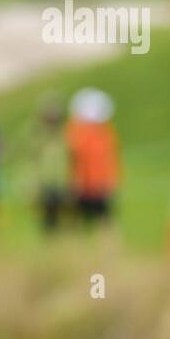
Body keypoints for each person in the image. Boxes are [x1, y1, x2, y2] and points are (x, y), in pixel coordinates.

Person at [66, 87, 121, 225]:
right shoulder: (75, 129)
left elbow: (110, 157)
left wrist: (111, 178)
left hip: (100, 182)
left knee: (104, 217)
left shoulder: (106, 131)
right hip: (82, 183)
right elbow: (73, 156)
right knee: (78, 218)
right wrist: (75, 179)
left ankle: (106, 243)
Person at [29, 93, 69, 234]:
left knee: (66, 218)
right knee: (47, 219)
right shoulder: (37, 133)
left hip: (62, 181)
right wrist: (32, 184)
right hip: (44, 182)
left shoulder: (65, 133)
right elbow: (31, 161)